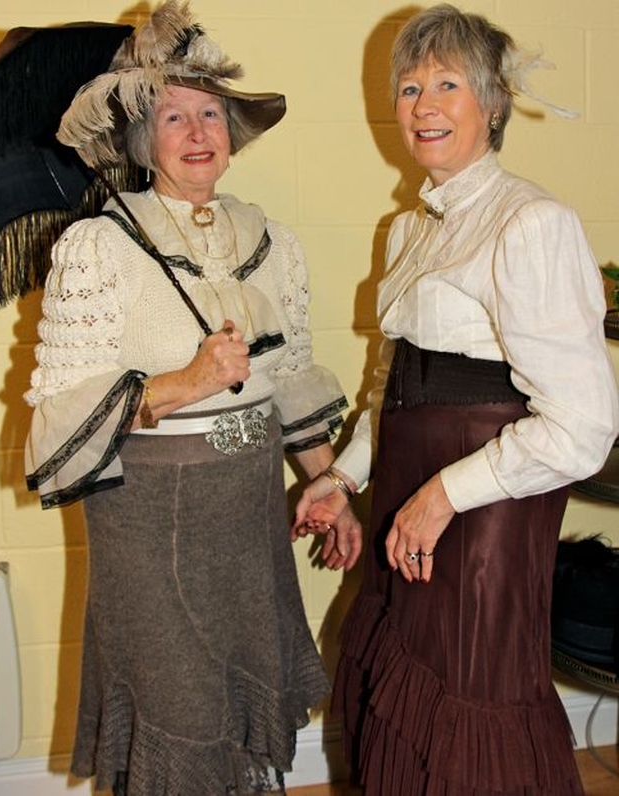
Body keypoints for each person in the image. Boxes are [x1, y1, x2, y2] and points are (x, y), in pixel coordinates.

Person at [23, 2, 358, 793]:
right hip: (149, 515)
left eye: (212, 112)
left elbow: (291, 377)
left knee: (239, 704)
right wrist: (185, 383)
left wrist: (326, 482)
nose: (199, 130)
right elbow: (63, 411)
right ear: (143, 140)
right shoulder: (100, 246)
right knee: (181, 707)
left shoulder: (271, 242)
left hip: (244, 507)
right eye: (174, 115)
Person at [292, 4, 619, 795]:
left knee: (473, 706)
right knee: (403, 704)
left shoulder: (531, 222)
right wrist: (343, 481)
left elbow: (583, 427)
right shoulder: (406, 231)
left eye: (448, 85)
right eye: (409, 88)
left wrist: (446, 494)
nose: (424, 106)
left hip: (483, 516)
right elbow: (392, 392)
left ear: (494, 104)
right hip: (414, 502)